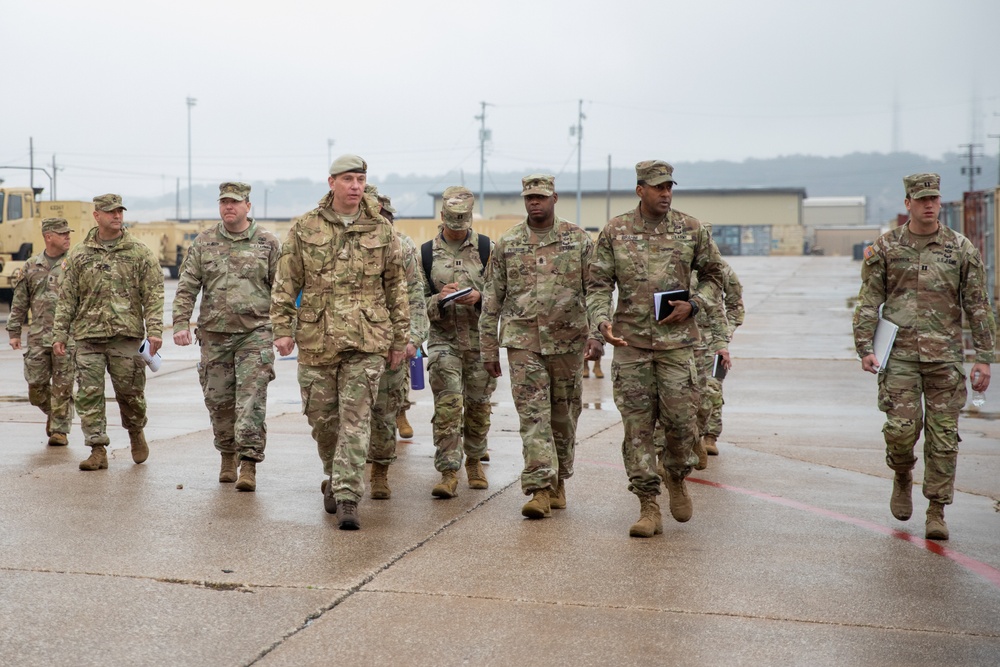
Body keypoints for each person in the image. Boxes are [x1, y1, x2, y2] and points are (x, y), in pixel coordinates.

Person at [587, 160, 728, 538]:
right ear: (640, 190)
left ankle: (677, 475)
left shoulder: (691, 228)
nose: (665, 194)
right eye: (658, 187)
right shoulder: (615, 231)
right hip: (630, 345)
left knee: (683, 425)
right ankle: (648, 504)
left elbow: (716, 276)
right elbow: (598, 283)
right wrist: (602, 323)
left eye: (669, 187)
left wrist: (694, 304)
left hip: (677, 346)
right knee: (637, 429)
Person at [852, 173, 995, 541]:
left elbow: (978, 304)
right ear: (908, 204)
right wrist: (864, 347)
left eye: (934, 198)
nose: (930, 205)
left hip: (944, 359)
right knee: (901, 432)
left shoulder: (959, 248)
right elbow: (869, 300)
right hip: (898, 356)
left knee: (944, 437)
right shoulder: (886, 248)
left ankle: (936, 510)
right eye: (922, 199)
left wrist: (984, 356)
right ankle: (902, 473)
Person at [270, 155, 409, 530]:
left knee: (356, 419)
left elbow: (396, 286)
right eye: (348, 179)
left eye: (361, 179)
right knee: (324, 421)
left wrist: (401, 338)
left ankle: (348, 496)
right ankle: (334, 474)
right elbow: (286, 282)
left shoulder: (381, 230)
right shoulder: (305, 227)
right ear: (331, 182)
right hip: (318, 338)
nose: (355, 186)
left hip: (368, 339)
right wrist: (282, 329)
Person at [480, 174, 602, 519]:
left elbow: (595, 290)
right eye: (529, 197)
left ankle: (559, 479)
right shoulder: (508, 242)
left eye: (541, 197)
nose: (535, 202)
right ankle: (539, 488)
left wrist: (597, 334)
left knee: (563, 418)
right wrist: (488, 348)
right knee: (533, 417)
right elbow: (492, 299)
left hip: (567, 341)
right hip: (522, 343)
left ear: (554, 199)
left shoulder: (578, 240)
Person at [172, 182, 280, 492]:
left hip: (255, 334)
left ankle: (248, 464)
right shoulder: (204, 242)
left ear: (248, 205)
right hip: (214, 335)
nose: (228, 207)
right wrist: (180, 322)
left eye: (234, 202)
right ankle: (227, 455)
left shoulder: (268, 243)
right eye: (223, 202)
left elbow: (284, 290)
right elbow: (188, 284)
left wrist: (287, 330)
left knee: (251, 400)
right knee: (218, 402)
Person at [52, 194, 164, 470]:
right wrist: (59, 334)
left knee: (130, 394)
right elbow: (67, 297)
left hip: (126, 337)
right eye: (110, 212)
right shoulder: (79, 254)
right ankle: (97, 448)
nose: (116, 216)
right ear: (97, 215)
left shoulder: (138, 251)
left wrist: (156, 330)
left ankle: (136, 432)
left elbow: (153, 292)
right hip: (88, 336)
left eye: (119, 211)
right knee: (89, 394)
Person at [423, 186, 496, 498]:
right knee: (449, 406)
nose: (457, 227)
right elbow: (415, 299)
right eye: (452, 221)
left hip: (479, 341)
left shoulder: (487, 248)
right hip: (444, 342)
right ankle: (448, 470)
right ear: (442, 217)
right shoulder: (425, 253)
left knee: (479, 406)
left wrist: (480, 298)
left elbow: (500, 294)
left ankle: (475, 461)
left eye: (462, 221)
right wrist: (438, 300)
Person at [365, 185, 428, 500]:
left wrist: (413, 338)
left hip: (390, 342)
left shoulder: (403, 247)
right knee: (344, 414)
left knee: (385, 412)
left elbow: (416, 296)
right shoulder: (338, 242)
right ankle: (344, 472)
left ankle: (379, 472)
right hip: (350, 343)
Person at [6, 217, 76, 446]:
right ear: (48, 237)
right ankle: (56, 415)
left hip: (67, 337)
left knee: (62, 387)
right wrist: (14, 331)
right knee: (35, 389)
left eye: (68, 233)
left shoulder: (75, 263)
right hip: (37, 337)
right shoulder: (31, 265)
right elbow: (20, 301)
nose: (67, 237)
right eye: (62, 233)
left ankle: (60, 430)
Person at [691, 257, 745, 468]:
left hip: (714, 341)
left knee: (713, 389)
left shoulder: (722, 269)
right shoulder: (677, 265)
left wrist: (726, 332)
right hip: (684, 339)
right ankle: (689, 439)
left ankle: (709, 436)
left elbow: (735, 305)